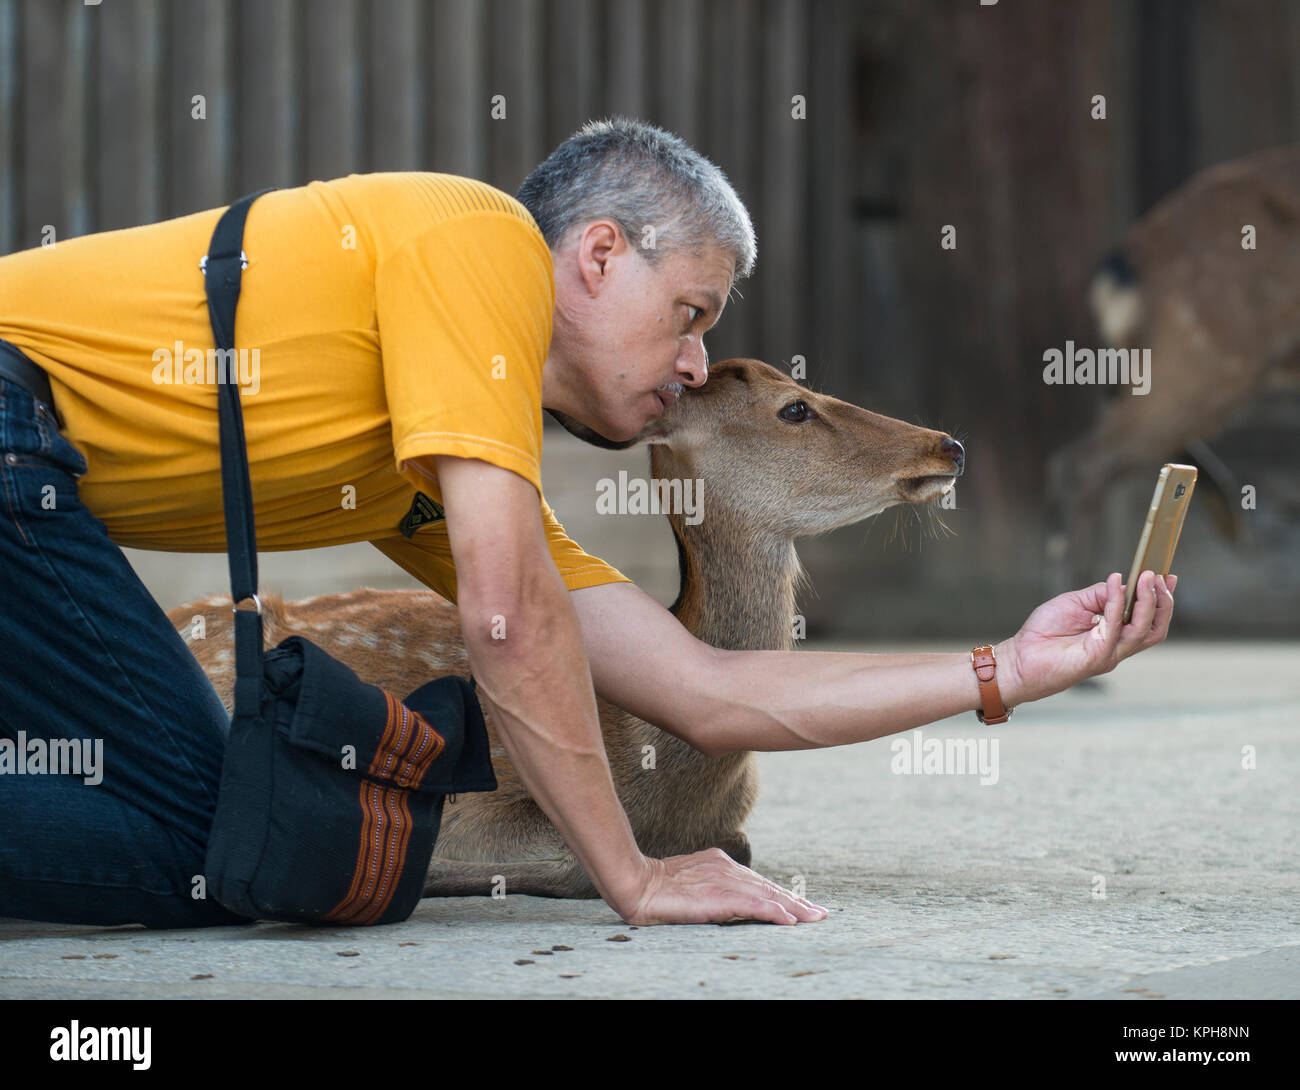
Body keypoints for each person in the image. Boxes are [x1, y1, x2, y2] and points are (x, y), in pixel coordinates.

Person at [0, 118, 1176, 931]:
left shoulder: (437, 458)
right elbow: (507, 622)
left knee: (218, 832)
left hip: (28, 495)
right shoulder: (479, 244)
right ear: (600, 255)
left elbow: (708, 688)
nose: (696, 361)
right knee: (218, 828)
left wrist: (1005, 668)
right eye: (690, 312)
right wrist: (633, 875)